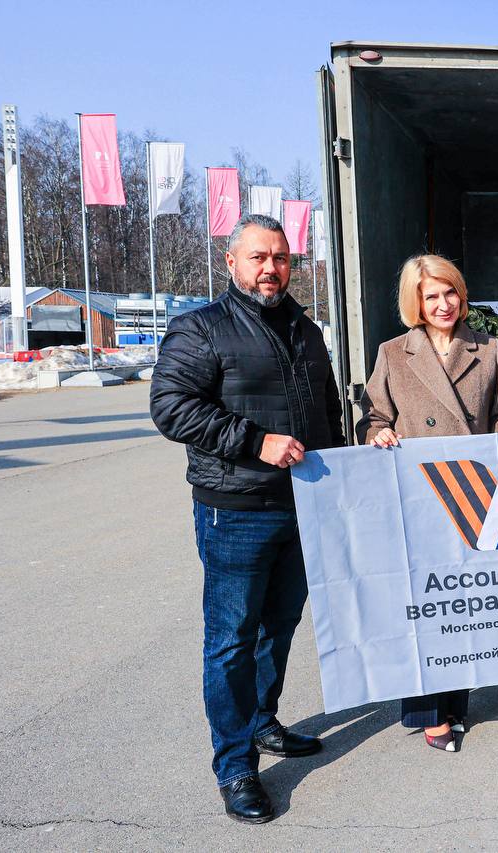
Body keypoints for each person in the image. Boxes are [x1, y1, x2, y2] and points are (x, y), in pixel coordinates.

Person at [150, 214, 346, 824]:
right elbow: (171, 407)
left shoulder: (305, 330)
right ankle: (236, 766)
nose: (271, 269)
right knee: (231, 640)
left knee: (279, 626)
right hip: (235, 511)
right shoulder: (201, 329)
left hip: (303, 507)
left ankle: (263, 721)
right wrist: (255, 441)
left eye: (281, 258)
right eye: (258, 257)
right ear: (231, 262)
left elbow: (328, 413)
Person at [358, 254, 498, 752]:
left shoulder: (488, 349)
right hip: (421, 498)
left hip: (474, 493)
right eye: (431, 295)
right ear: (416, 301)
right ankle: (430, 713)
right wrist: (378, 432)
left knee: (464, 604)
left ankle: (456, 705)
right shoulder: (393, 353)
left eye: (450, 292)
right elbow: (373, 415)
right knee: (427, 606)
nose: (444, 303)